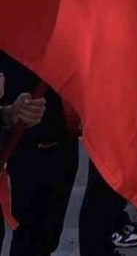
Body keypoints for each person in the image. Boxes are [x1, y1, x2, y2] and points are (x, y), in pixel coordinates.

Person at [0, 53, 79, 256]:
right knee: (31, 234)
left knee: (44, 234)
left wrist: (8, 114)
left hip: (56, 135)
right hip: (29, 146)